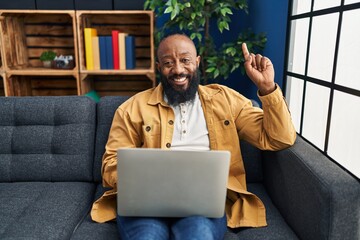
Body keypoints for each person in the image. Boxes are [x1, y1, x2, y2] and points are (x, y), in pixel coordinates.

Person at [90, 33, 296, 240]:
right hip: (145, 204)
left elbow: (279, 139)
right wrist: (140, 182)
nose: (178, 70)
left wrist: (267, 87)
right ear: (159, 67)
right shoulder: (131, 108)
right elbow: (110, 165)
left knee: (198, 235)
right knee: (146, 236)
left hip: (202, 205)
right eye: (168, 63)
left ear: (197, 62)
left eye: (185, 60)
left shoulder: (225, 99)